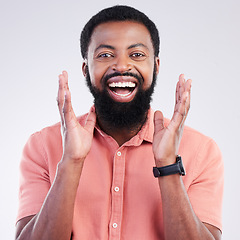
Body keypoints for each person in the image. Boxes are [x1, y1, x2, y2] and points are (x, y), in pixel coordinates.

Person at [15, 5, 224, 240]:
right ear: (86, 69)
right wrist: (71, 162)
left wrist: (167, 166)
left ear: (155, 66)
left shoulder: (201, 150)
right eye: (105, 55)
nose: (122, 66)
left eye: (136, 55)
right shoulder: (41, 146)